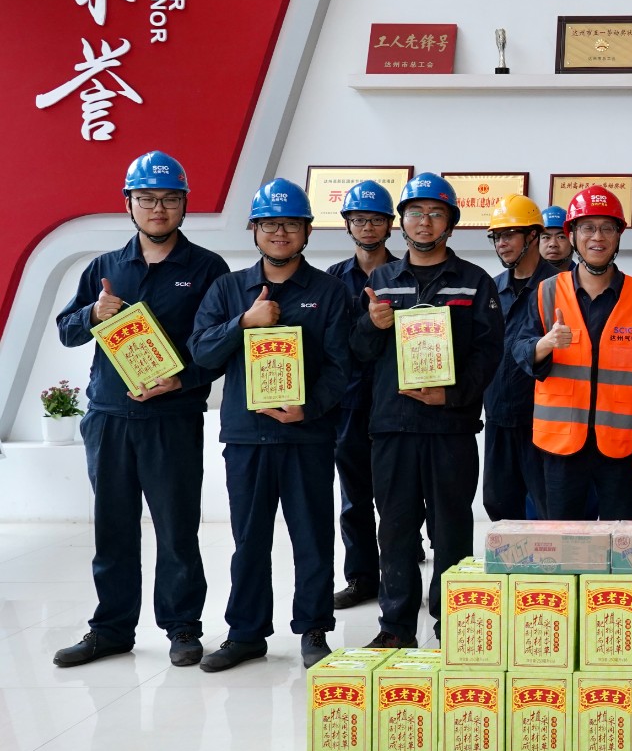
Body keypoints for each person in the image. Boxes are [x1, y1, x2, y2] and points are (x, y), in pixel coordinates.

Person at [52, 151, 229, 669]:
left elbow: (219, 347)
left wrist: (181, 379)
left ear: (184, 205)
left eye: (169, 199)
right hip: (108, 419)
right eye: (147, 198)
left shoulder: (207, 269)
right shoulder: (104, 268)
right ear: (128, 203)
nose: (158, 208)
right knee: (113, 528)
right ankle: (110, 629)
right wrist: (93, 312)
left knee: (177, 528)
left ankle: (182, 627)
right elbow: (66, 331)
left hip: (171, 420)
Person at [187, 179, 349, 670]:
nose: (280, 233)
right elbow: (201, 353)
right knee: (249, 540)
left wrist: (309, 408)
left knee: (312, 538)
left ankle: (314, 629)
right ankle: (246, 633)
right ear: (254, 229)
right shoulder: (228, 289)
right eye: (270, 224)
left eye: (291, 224)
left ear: (307, 231)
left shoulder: (329, 291)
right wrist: (243, 323)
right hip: (247, 436)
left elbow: (342, 367)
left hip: (307, 436)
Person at [353, 173, 503, 647]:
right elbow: (357, 352)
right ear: (401, 223)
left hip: (449, 429)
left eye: (436, 213)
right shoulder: (380, 281)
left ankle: (454, 627)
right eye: (415, 213)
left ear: (450, 224)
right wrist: (372, 325)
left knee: (451, 531)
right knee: (395, 530)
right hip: (392, 427)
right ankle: (395, 628)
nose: (424, 222)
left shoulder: (474, 282)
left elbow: (488, 355)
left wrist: (450, 395)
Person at [517, 186, 632, 520]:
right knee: (563, 539)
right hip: (560, 445)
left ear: (618, 235)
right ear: (572, 235)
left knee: (619, 539)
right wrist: (545, 344)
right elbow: (521, 350)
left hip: (622, 446)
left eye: (607, 228)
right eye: (587, 227)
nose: (597, 237)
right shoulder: (545, 293)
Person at [326, 180, 395, 610]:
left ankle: (399, 572)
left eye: (375, 219)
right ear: (347, 224)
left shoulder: (405, 275)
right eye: (359, 219)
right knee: (354, 498)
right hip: (348, 402)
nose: (367, 226)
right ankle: (362, 578)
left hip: (397, 399)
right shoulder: (333, 280)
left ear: (390, 224)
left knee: (398, 495)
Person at [482, 194, 561, 522]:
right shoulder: (491, 289)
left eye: (509, 235)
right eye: (496, 237)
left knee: (549, 509)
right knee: (497, 504)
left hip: (544, 420)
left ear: (532, 235)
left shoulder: (559, 287)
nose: (501, 244)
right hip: (498, 418)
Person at [537, 204, 575, 272]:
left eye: (561, 237)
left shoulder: (581, 276)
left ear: (572, 241)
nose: (553, 244)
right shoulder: (526, 274)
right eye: (546, 237)